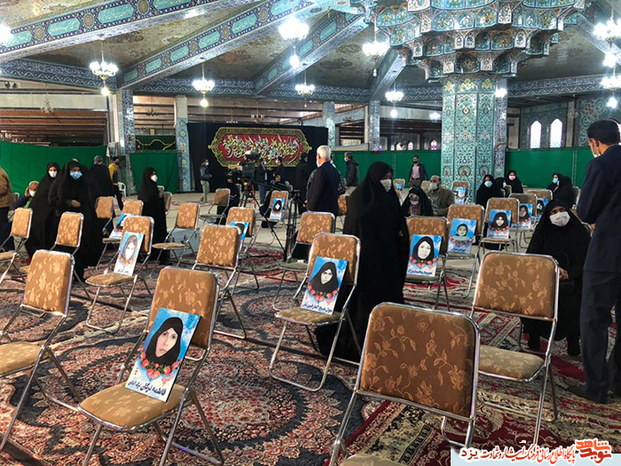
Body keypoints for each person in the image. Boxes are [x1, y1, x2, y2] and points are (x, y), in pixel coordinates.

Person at [319, 161, 408, 359]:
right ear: (375, 177)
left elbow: (398, 225)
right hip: (365, 262)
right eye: (384, 177)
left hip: (386, 260)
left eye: (390, 177)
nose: (387, 181)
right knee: (362, 303)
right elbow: (355, 229)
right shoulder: (359, 199)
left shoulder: (389, 197)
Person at [568, 120, 621, 404]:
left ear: (594, 142)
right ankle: (619, 381)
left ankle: (597, 386)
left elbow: (586, 211)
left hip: (607, 254)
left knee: (594, 319)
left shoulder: (600, 165)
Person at [524, 200, 589, 356]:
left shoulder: (578, 232)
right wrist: (551, 270)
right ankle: (534, 336)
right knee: (532, 296)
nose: (559, 215)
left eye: (561, 210)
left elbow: (586, 260)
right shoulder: (542, 233)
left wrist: (569, 273)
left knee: (573, 301)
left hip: (573, 280)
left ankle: (573, 339)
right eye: (553, 212)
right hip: (544, 279)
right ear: (547, 216)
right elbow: (532, 260)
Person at [48, 161, 102, 278]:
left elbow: (88, 199)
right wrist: (69, 202)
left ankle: (79, 274)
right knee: (67, 248)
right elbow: (52, 199)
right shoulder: (61, 183)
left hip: (82, 221)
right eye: (74, 171)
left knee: (81, 248)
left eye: (78, 171)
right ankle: (65, 274)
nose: (76, 173)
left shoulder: (83, 183)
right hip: (66, 222)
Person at [26, 163, 60, 257]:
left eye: (54, 170)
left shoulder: (60, 183)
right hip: (38, 215)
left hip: (52, 216)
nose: (52, 172)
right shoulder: (44, 183)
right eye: (51, 170)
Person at [138, 167, 168, 263]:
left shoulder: (154, 188)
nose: (154, 176)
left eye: (155, 174)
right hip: (148, 220)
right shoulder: (144, 190)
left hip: (156, 219)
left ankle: (158, 255)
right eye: (152, 174)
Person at [306, 145, 340, 216]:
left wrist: (310, 208)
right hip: (332, 210)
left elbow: (317, 192)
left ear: (318, 156)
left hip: (321, 212)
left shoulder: (320, 171)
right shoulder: (335, 171)